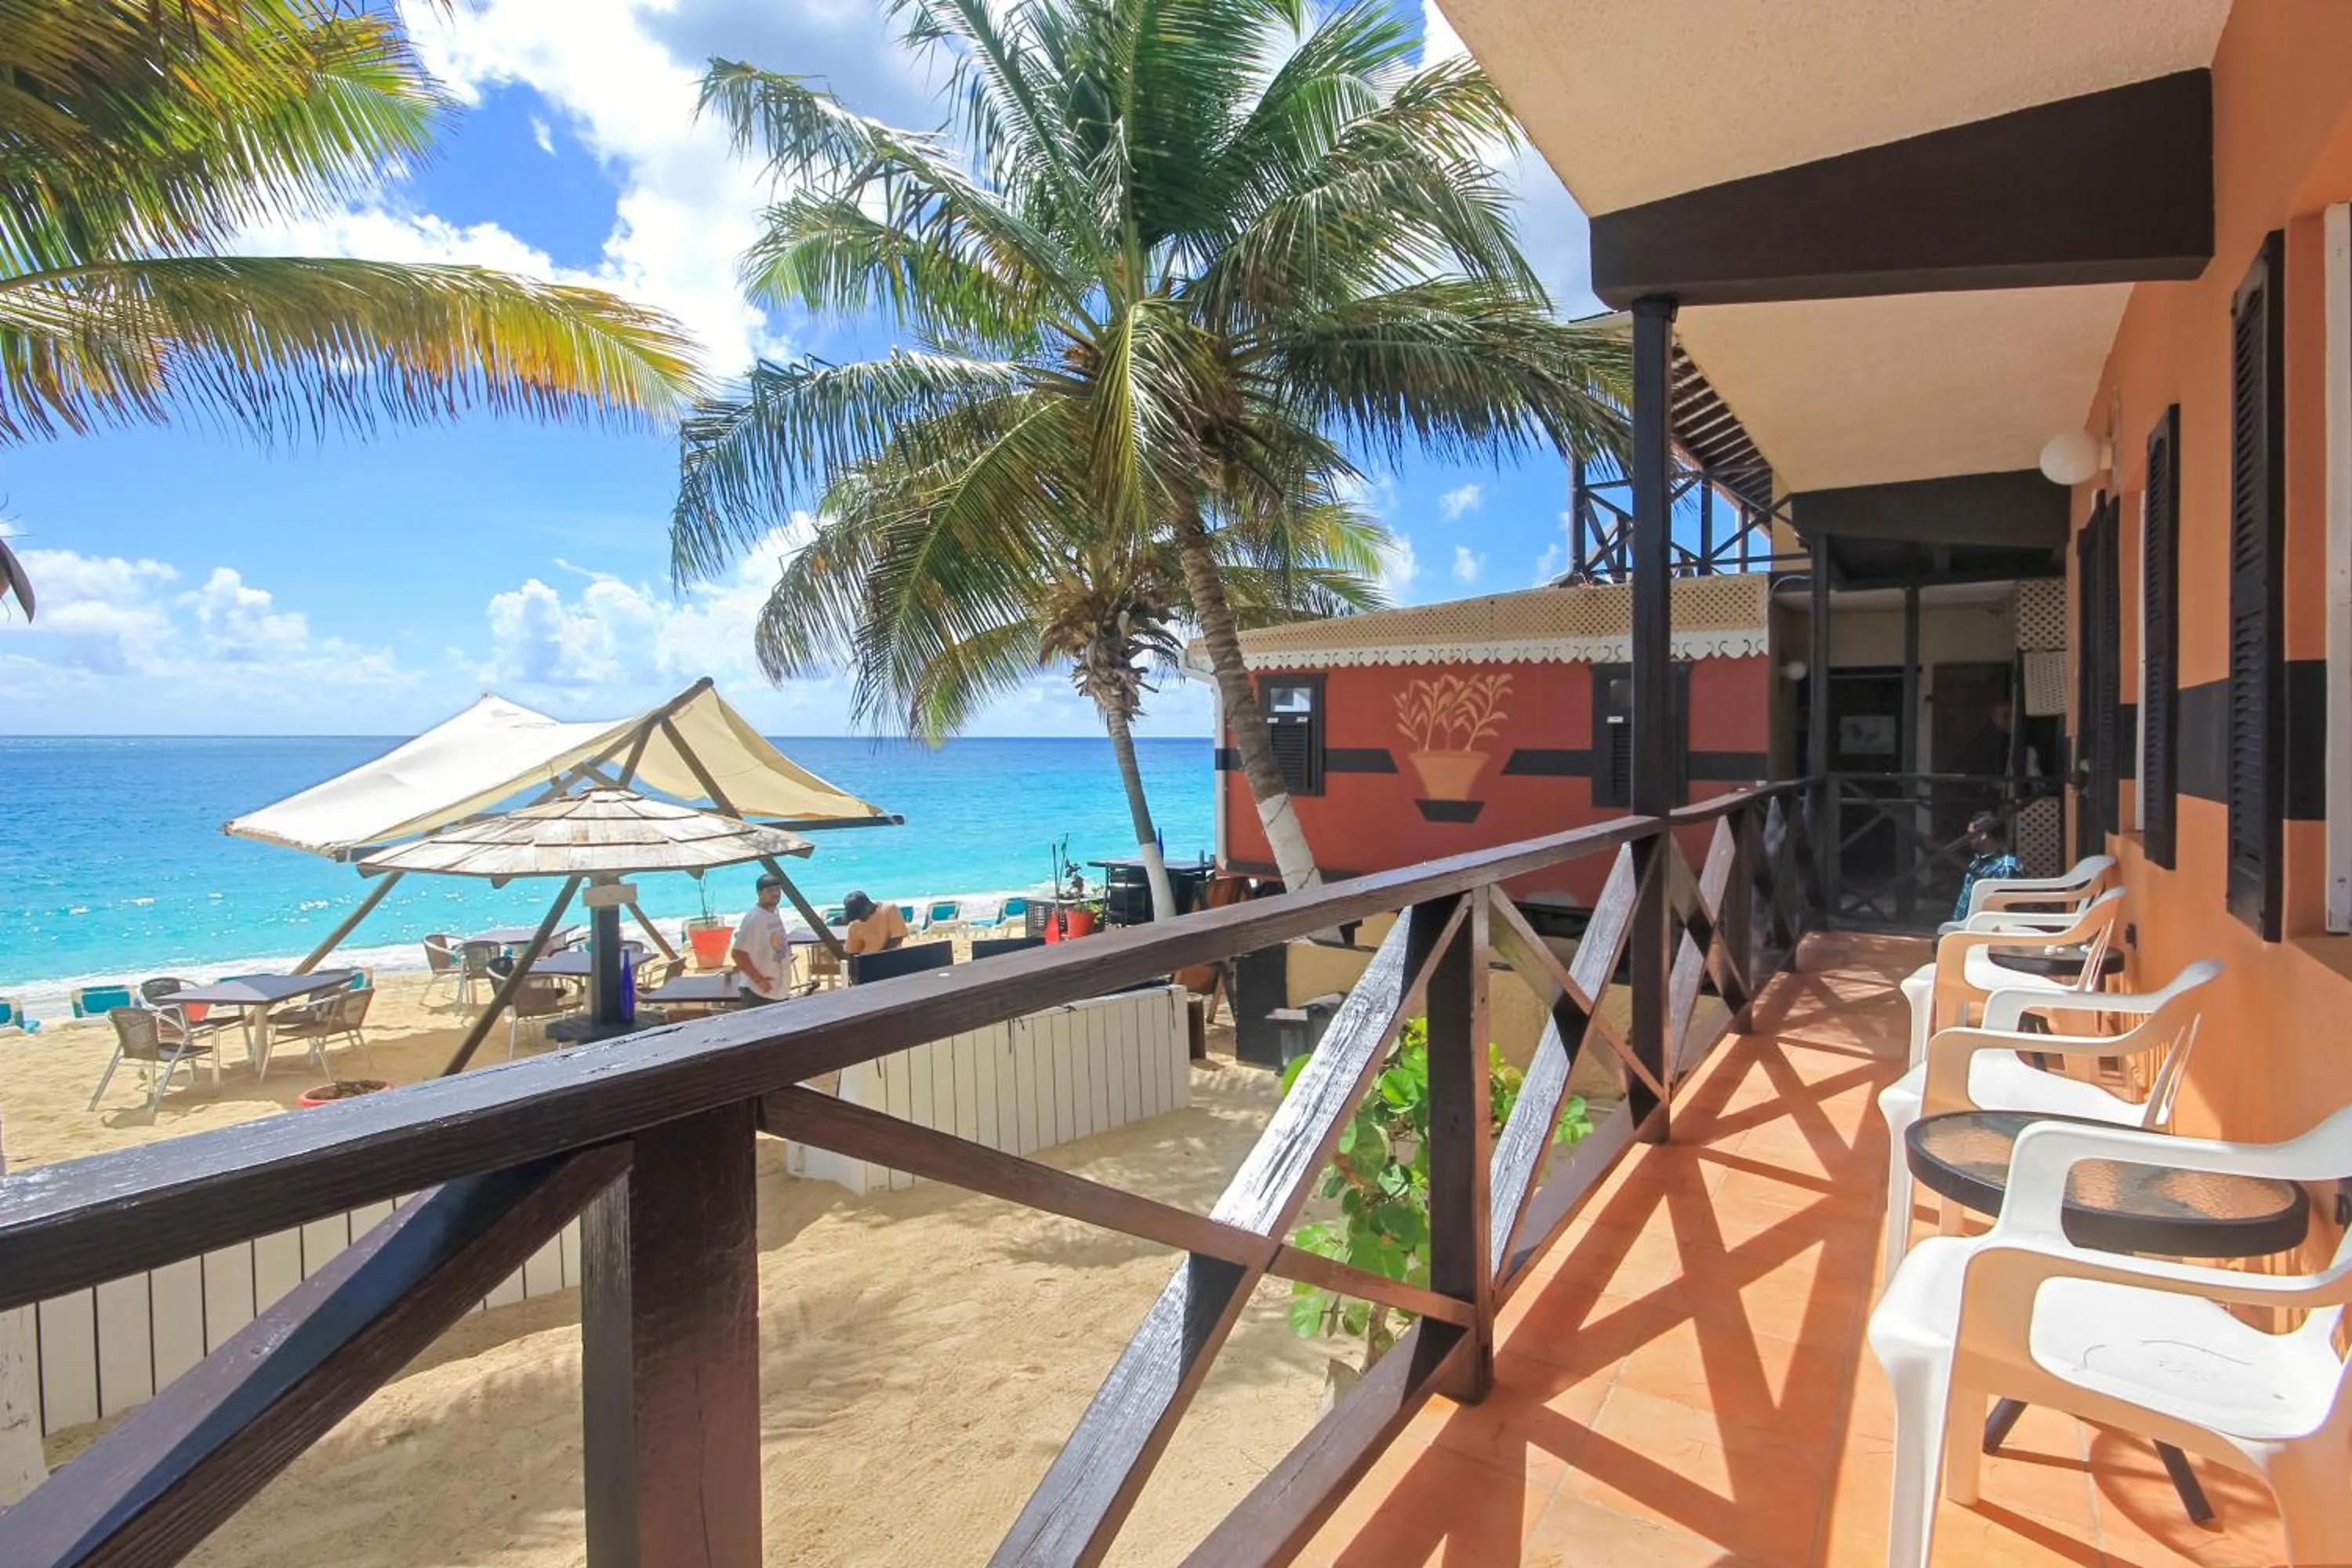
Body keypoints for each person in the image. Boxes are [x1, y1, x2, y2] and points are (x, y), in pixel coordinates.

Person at [1951, 811, 2025, 926]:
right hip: (1964, 929)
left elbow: (2003, 910)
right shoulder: (1977, 862)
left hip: (1985, 933)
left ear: (1983, 835)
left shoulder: (2005, 867)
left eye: (1971, 835)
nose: (1968, 839)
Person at [730, 873, 793, 1004]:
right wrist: (759, 980)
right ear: (760, 893)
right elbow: (738, 953)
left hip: (778, 992)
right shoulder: (754, 919)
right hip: (759, 993)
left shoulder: (775, 912)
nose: (775, 894)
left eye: (778, 890)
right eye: (770, 891)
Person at [841, 890, 909, 956]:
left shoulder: (889, 909)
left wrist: (876, 958)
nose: (858, 918)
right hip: (867, 962)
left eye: (859, 915)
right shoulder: (855, 924)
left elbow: (897, 939)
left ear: (867, 907)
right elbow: (852, 951)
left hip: (890, 957)